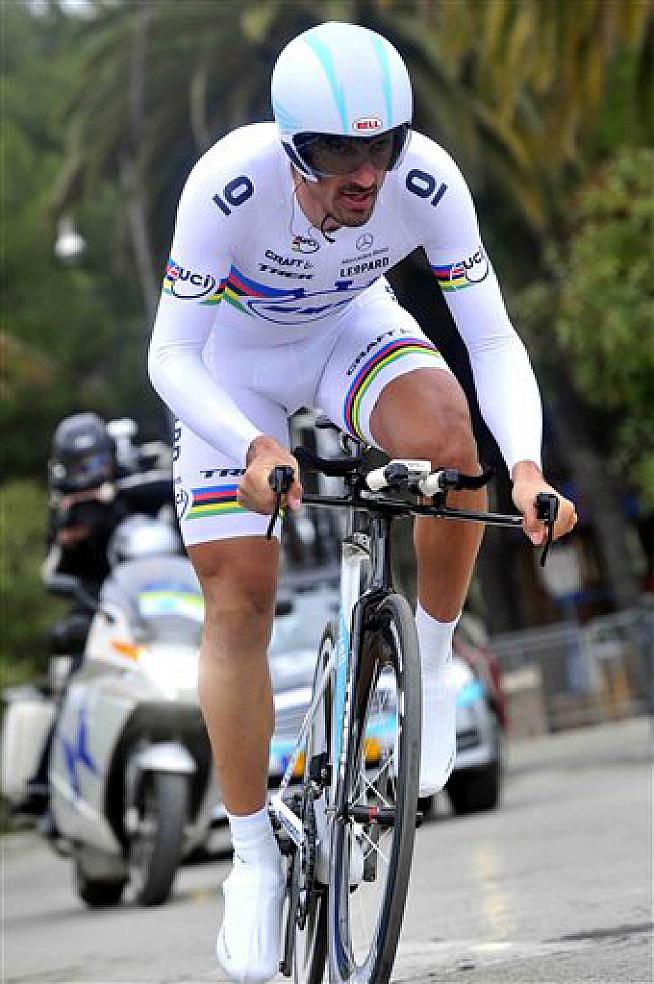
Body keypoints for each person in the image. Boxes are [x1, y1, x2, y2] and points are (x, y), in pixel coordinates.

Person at [148, 21, 577, 982]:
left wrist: (527, 469)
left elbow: (492, 338)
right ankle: (253, 858)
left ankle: (428, 657)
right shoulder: (227, 185)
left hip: (349, 331)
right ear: (292, 147)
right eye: (339, 154)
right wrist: (255, 447)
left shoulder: (427, 181)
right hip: (230, 366)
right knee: (239, 596)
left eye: (381, 147)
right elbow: (168, 354)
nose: (366, 175)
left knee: (451, 444)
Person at [26, 412, 174, 818]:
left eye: (94, 463)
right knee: (78, 678)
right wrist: (69, 529)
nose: (87, 474)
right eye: (78, 467)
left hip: (148, 604)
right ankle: (45, 784)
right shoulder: (66, 508)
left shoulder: (131, 485)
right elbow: (52, 569)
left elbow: (169, 489)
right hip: (95, 606)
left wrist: (115, 493)